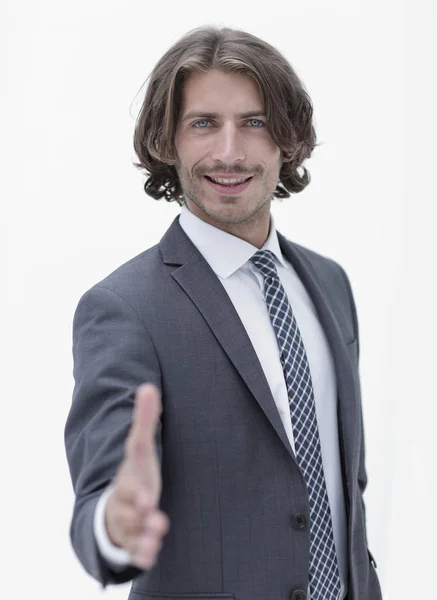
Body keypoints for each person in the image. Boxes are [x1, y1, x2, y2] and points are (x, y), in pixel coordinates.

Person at [64, 25, 383, 600]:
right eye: (203, 123)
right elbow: (103, 500)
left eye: (254, 122)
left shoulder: (329, 285)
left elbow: (342, 492)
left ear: (288, 138)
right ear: (170, 141)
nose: (230, 151)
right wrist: (115, 524)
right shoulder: (123, 309)